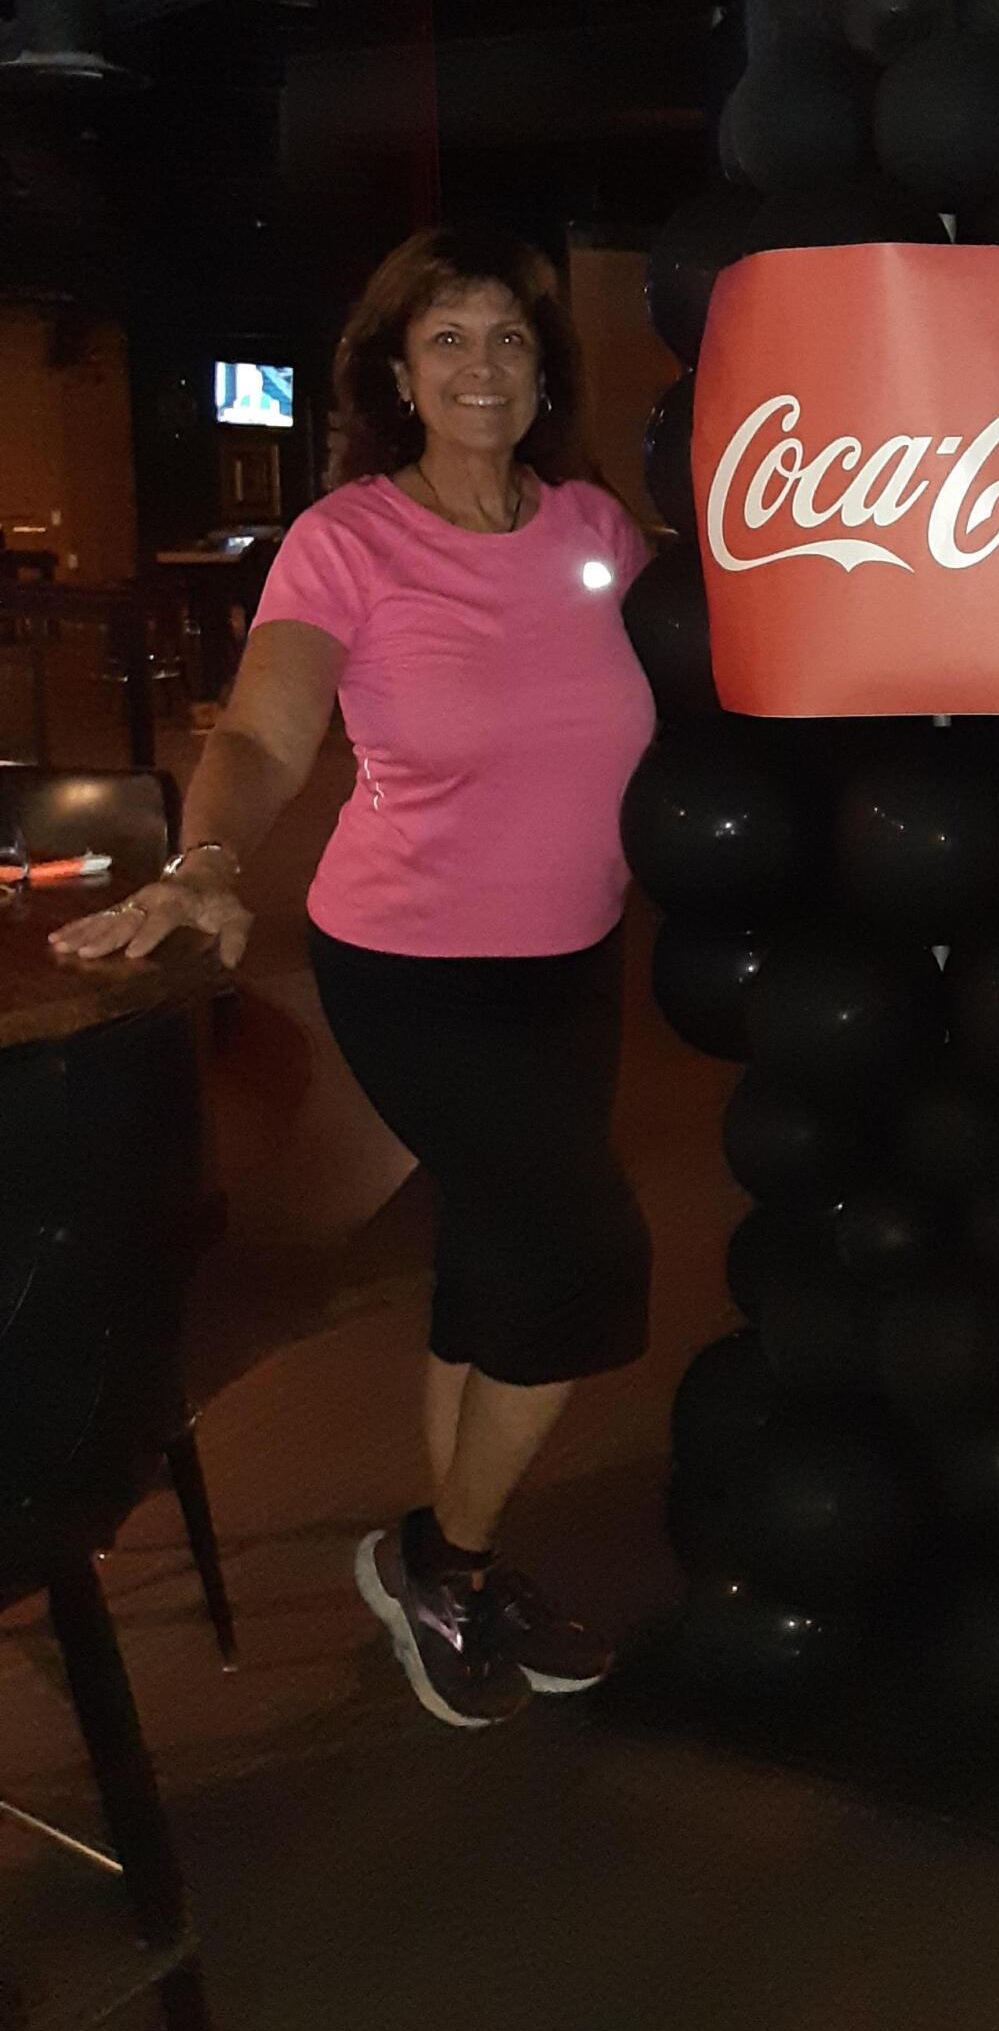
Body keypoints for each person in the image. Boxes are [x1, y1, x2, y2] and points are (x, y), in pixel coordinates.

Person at [54, 226, 658, 1731]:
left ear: (542, 369)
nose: (480, 365)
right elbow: (264, 733)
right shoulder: (350, 540)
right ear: (395, 371)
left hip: (577, 956)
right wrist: (202, 863)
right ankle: (435, 1556)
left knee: (498, 1260)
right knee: (583, 1259)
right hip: (414, 963)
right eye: (446, 339)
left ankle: (458, 1558)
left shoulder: (595, 527)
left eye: (508, 338)